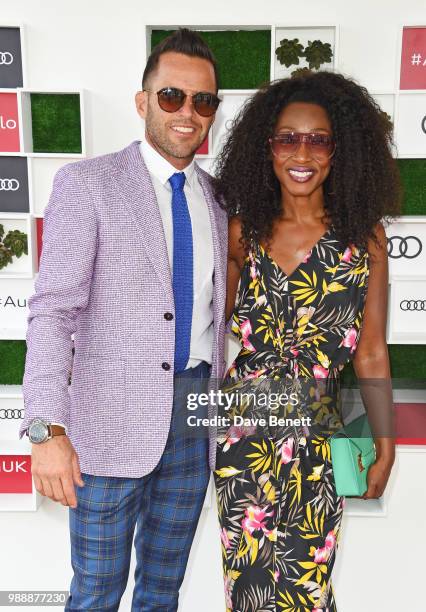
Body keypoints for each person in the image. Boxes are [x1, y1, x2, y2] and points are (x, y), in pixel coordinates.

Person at [18, 28, 227, 611]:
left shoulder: (218, 198)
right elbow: (53, 311)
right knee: (96, 593)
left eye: (204, 101)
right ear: (143, 102)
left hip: (194, 420)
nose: (188, 113)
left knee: (163, 592)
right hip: (105, 426)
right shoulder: (88, 185)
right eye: (172, 97)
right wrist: (44, 429)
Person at [213, 71, 401, 611]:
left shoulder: (365, 239)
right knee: (248, 591)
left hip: (321, 439)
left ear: (339, 151)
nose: (302, 151)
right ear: (265, 148)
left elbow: (370, 351)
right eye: (287, 137)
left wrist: (386, 443)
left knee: (309, 588)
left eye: (318, 139)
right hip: (244, 436)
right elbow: (206, 331)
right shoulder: (241, 233)